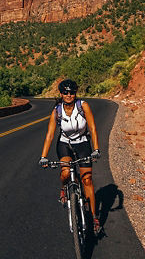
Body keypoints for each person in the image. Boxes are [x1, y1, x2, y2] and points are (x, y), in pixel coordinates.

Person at [39, 79, 101, 234]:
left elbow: (92, 128)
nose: (69, 95)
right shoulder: (57, 111)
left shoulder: (83, 106)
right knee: (66, 172)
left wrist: (96, 149)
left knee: (87, 179)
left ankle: (94, 217)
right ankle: (63, 188)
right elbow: (50, 134)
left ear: (75, 93)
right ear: (61, 94)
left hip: (82, 143)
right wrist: (43, 156)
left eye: (72, 92)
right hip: (64, 144)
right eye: (65, 92)